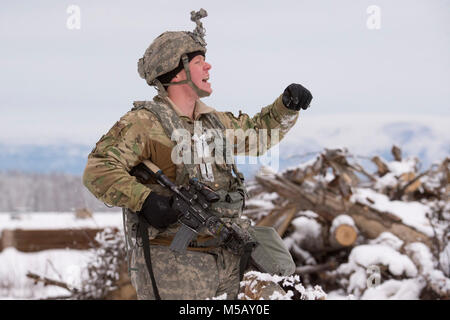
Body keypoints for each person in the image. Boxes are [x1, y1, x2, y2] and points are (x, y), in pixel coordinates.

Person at [82, 9, 312, 300]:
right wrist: (146, 200)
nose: (209, 68)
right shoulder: (144, 123)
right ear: (177, 71)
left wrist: (286, 107)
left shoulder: (213, 122)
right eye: (200, 62)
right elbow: (98, 169)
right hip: (175, 265)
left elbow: (257, 135)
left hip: (225, 260)